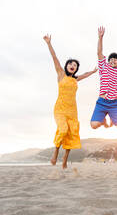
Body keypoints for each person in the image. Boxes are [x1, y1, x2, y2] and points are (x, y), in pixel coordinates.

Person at [43, 34, 97, 169]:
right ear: (66, 66)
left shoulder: (75, 79)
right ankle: (55, 151)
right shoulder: (61, 75)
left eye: (75, 65)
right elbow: (54, 58)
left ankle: (65, 161)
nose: (72, 66)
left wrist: (93, 71)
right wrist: (49, 43)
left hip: (72, 111)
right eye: (70, 64)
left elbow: (84, 75)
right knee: (62, 129)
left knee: (72, 134)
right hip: (60, 109)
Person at [90, 26, 117, 131]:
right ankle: (103, 120)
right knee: (94, 125)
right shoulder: (103, 67)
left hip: (114, 103)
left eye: (115, 60)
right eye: (111, 59)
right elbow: (99, 53)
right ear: (108, 61)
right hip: (102, 101)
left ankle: (113, 118)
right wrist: (100, 38)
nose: (113, 60)